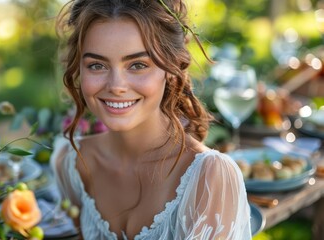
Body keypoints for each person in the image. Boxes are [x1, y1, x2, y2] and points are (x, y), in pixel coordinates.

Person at [50, 0, 252, 239]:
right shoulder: (72, 162)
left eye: (137, 65)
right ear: (78, 70)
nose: (116, 86)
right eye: (96, 65)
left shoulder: (211, 177)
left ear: (171, 67)